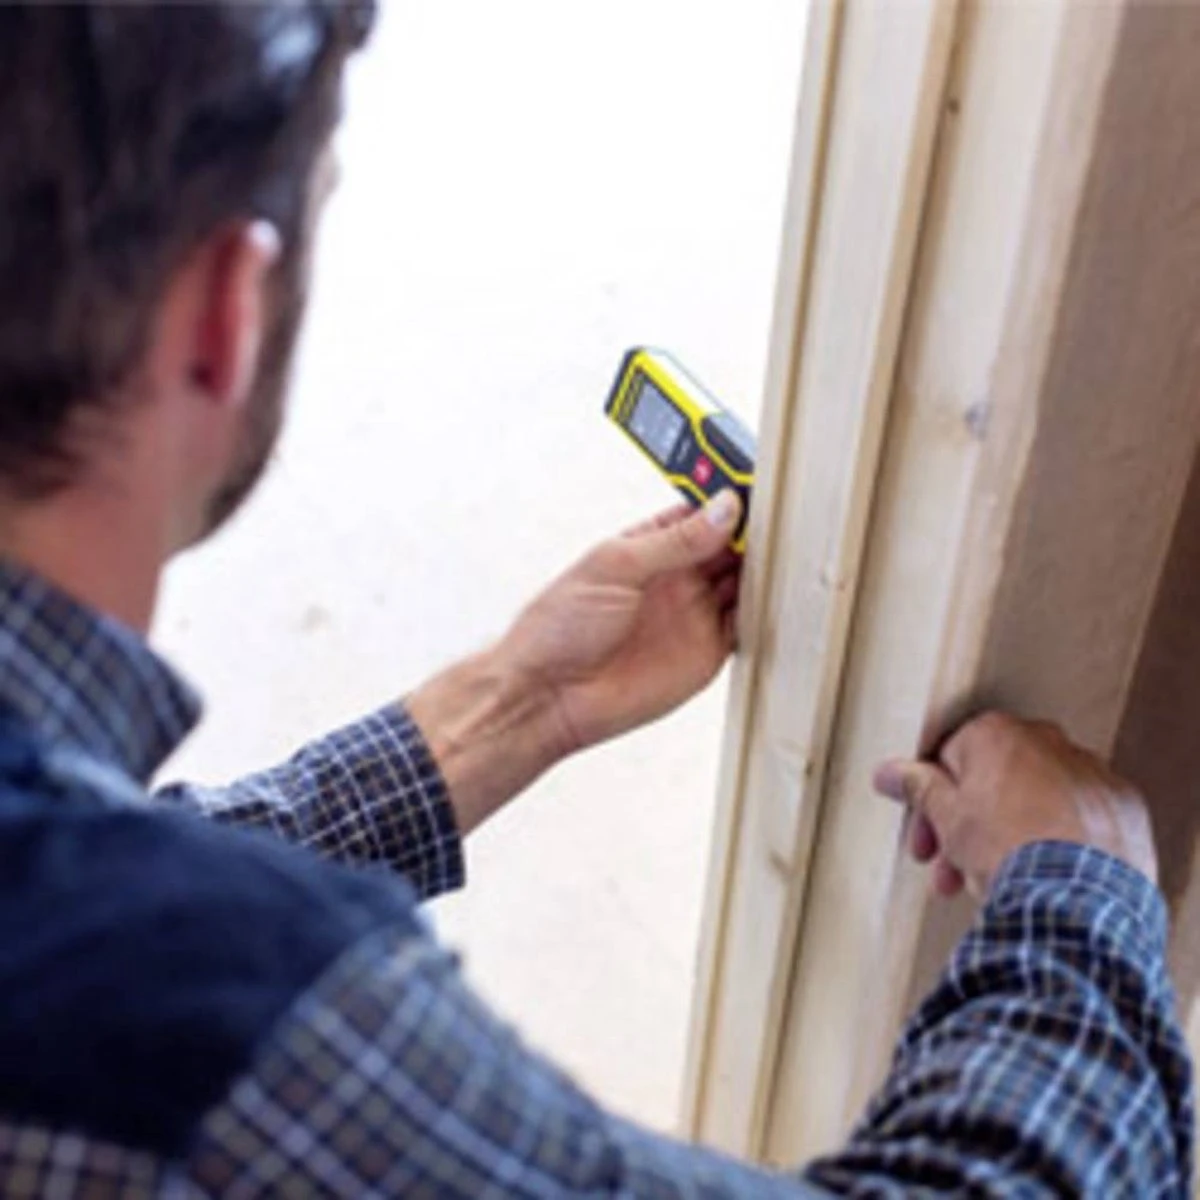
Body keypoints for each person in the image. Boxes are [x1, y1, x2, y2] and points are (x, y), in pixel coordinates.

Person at [0, 3, 1191, 1196]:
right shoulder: (231, 1036)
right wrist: (1080, 890)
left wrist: (516, 705)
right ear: (224, 317)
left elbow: (80, 883)